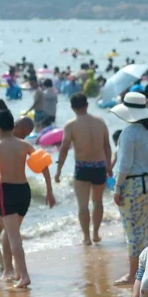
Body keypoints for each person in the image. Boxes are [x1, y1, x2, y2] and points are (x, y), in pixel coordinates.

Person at [0, 110, 56, 288]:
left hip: (5, 192)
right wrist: (49, 191)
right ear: (13, 126)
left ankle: (23, 275)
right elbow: (43, 164)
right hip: (24, 191)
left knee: (13, 236)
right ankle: (14, 272)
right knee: (12, 233)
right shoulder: (25, 145)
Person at [110, 92, 148, 286]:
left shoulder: (128, 133)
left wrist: (117, 188)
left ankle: (133, 274)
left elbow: (124, 164)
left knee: (133, 231)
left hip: (133, 185)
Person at [55, 93, 112, 246]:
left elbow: (64, 148)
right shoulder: (100, 122)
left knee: (83, 205)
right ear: (87, 105)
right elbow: (107, 145)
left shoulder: (71, 125)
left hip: (82, 166)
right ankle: (96, 234)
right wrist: (109, 166)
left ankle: (86, 237)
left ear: (73, 108)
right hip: (99, 165)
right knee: (98, 202)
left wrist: (58, 170)